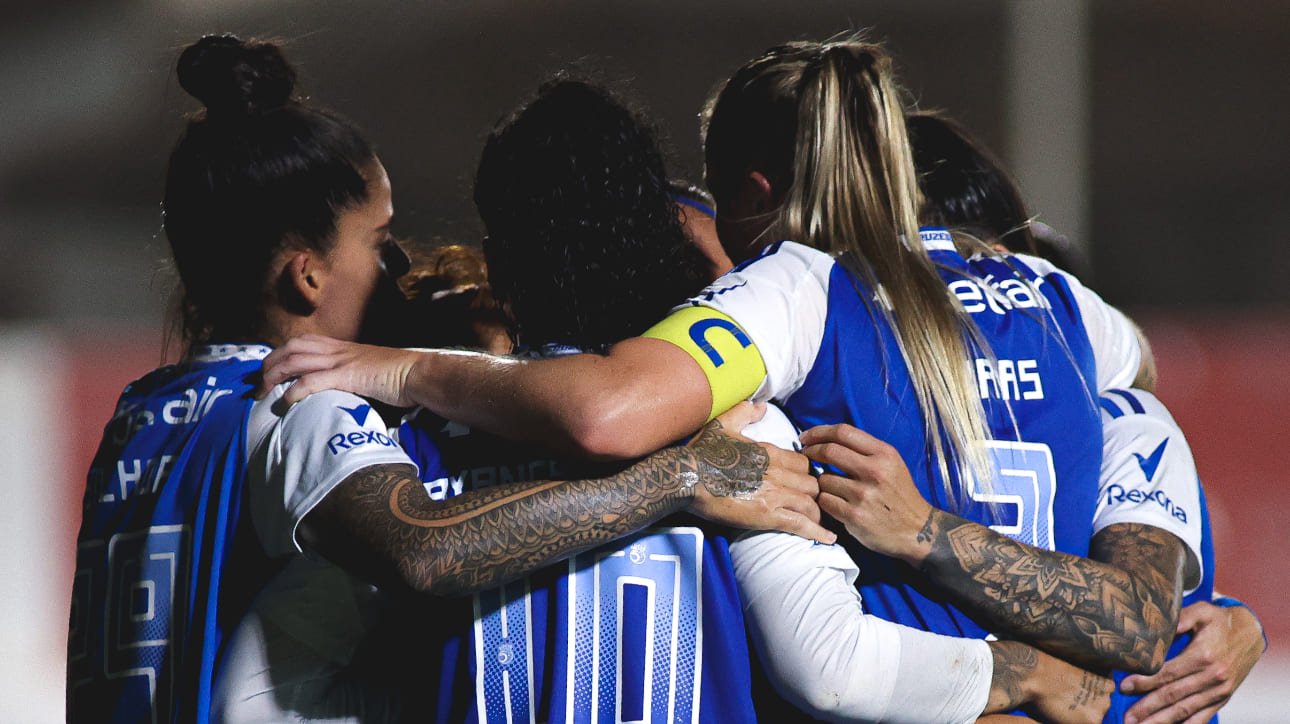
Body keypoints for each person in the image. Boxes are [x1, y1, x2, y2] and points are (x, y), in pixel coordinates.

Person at [262, 36, 1162, 720]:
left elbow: (608, 411)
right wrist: (1212, 608)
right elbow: (1140, 401)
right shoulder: (1058, 298)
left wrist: (413, 366)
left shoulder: (792, 297)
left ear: (752, 187)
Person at [68, 35, 820, 723]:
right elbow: (427, 552)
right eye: (383, 244)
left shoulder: (140, 412)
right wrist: (677, 478)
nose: (401, 272)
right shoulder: (304, 407)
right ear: (307, 276)